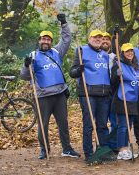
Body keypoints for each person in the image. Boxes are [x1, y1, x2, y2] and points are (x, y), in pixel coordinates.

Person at [20, 13, 80, 159]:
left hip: (59, 94)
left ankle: (67, 149)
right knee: (43, 124)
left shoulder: (56, 52)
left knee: (63, 124)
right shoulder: (33, 56)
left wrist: (64, 24)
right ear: (39, 40)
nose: (45, 41)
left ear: (51, 41)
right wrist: (26, 65)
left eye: (48, 39)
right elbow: (24, 76)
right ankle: (44, 150)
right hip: (43, 96)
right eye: (43, 39)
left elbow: (66, 40)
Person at [111, 43, 139, 160]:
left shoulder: (134, 66)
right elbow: (113, 83)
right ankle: (121, 149)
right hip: (122, 99)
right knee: (122, 125)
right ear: (122, 53)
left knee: (129, 126)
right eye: (127, 51)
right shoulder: (118, 65)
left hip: (132, 100)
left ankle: (126, 148)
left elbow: (137, 82)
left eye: (131, 51)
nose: (130, 53)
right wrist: (117, 75)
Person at [69, 30, 111, 161]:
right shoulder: (82, 50)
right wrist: (78, 70)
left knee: (102, 125)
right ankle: (89, 153)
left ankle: (102, 150)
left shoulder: (105, 55)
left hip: (104, 94)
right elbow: (72, 72)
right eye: (95, 37)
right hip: (88, 93)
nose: (98, 39)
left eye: (100, 37)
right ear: (90, 38)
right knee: (89, 124)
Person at [101, 32, 118, 151]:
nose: (105, 41)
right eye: (103, 39)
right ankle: (103, 145)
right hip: (100, 92)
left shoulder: (115, 57)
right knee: (102, 122)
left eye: (107, 39)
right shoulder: (95, 55)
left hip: (113, 92)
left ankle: (113, 144)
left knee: (114, 121)